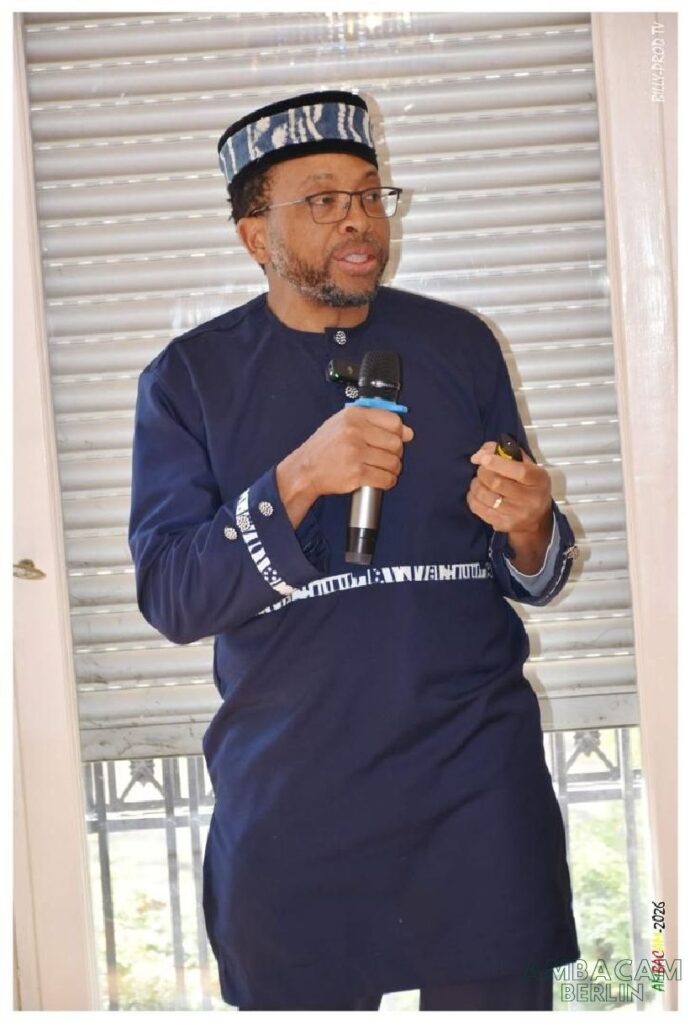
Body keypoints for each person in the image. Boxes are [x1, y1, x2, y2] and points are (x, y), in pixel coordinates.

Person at [128, 90, 581, 1011]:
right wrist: (297, 478)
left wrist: (531, 523)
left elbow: (526, 564)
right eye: (324, 199)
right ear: (255, 236)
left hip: (474, 786)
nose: (359, 220)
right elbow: (173, 595)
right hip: (295, 797)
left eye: (372, 195)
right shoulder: (188, 379)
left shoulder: (458, 344)